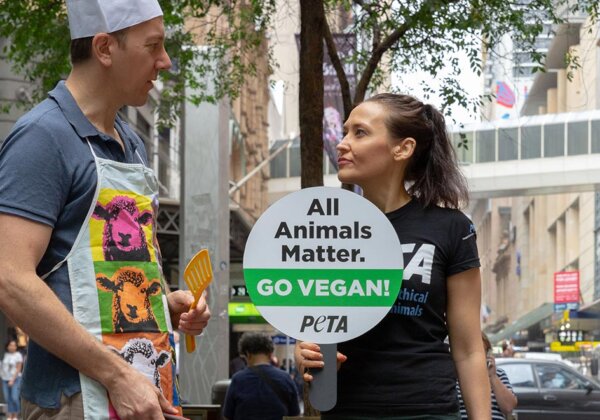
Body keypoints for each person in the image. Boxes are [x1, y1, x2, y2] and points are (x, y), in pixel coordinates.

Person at [0, 1, 211, 419]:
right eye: (153, 46)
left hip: (145, 391)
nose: (164, 62)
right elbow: (10, 278)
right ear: (104, 47)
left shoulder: (131, 142)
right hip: (75, 400)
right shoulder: (43, 137)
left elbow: (106, 265)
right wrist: (116, 376)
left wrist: (163, 304)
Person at [295, 93, 491, 419]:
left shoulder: (451, 228)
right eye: (345, 132)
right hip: (348, 409)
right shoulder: (325, 230)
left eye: (360, 132)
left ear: (403, 148)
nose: (342, 144)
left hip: (429, 409)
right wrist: (306, 350)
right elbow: (314, 325)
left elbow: (469, 349)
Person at [223, 332, 300, 420]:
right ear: (270, 354)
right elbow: (295, 415)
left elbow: (227, 416)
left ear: (247, 354)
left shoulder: (238, 379)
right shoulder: (286, 378)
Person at [458, 333, 518, 419]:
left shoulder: (499, 374)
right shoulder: (455, 375)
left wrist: (493, 377)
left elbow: (509, 407)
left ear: (487, 354)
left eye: (481, 351)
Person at [1, 340, 23, 420]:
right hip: (5, 379)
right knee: (8, 398)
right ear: (7, 346)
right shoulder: (5, 355)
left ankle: (16, 415)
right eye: (11, 345)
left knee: (14, 397)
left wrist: (12, 380)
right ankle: (10, 415)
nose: (12, 347)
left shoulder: (18, 355)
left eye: (14, 345)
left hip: (15, 379)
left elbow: (18, 368)